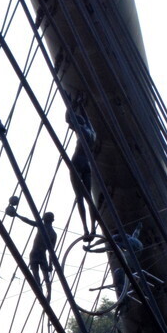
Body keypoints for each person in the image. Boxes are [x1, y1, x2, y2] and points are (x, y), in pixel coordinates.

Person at [6, 198, 56, 301]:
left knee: (36, 276)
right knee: (46, 277)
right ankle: (48, 294)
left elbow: (28, 221)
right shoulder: (53, 234)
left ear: (44, 219)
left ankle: (41, 294)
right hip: (42, 255)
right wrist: (51, 264)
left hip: (34, 254)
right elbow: (51, 252)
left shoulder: (41, 226)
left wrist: (17, 215)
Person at [66, 102, 97, 239]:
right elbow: (87, 119)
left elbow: (68, 119)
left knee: (79, 197)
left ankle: (85, 229)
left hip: (77, 163)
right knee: (89, 198)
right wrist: (82, 105)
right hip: (87, 165)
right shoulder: (92, 132)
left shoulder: (79, 129)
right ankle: (93, 229)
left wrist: (70, 106)